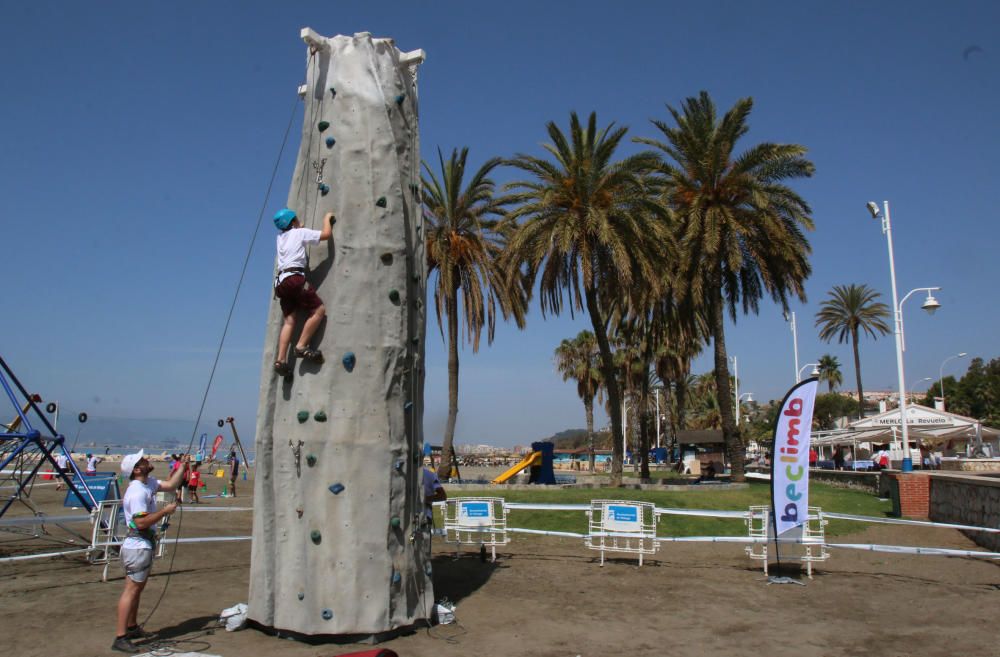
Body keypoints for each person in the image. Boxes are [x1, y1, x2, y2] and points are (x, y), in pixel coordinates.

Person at [112, 450, 188, 653]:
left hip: (142, 545)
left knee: (138, 588)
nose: (147, 460)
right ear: (137, 469)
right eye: (143, 460)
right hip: (137, 546)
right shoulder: (137, 492)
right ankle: (120, 637)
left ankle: (132, 627)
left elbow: (171, 485)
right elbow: (140, 522)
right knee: (131, 589)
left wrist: (183, 466)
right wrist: (164, 512)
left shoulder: (149, 483)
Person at [271, 208, 335, 377]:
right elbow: (326, 234)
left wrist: (299, 227)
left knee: (289, 321)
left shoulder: (280, 238)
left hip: (281, 283)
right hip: (295, 279)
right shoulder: (300, 234)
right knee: (319, 311)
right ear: (293, 222)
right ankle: (301, 346)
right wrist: (327, 218)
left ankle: (280, 360)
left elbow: (294, 234)